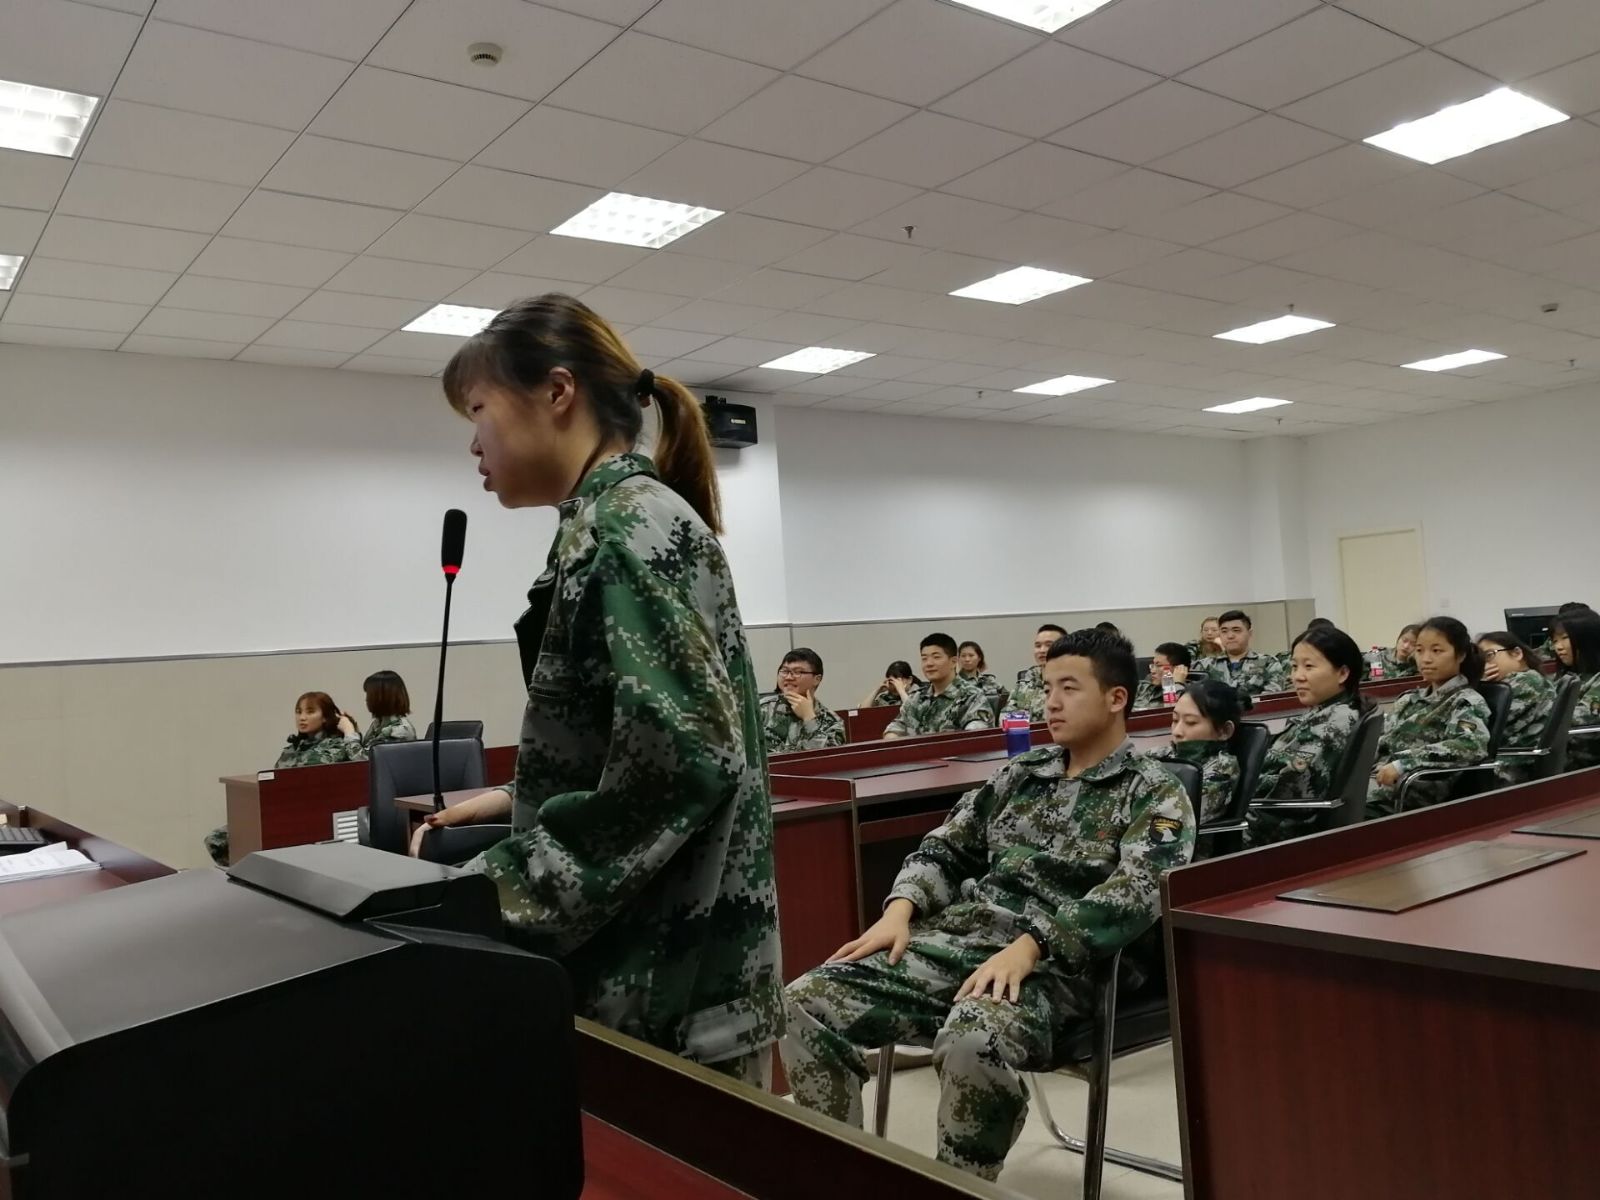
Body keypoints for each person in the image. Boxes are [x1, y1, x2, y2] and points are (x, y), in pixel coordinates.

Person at [408, 293, 781, 1082]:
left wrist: (489, 893)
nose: (473, 443)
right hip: (668, 979)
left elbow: (682, 765)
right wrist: (515, 799)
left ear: (556, 391)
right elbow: (633, 741)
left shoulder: (622, 532)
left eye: (478, 410)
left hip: (662, 993)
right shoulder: (619, 519)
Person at [781, 629, 1193, 1181]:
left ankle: (963, 1186)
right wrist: (900, 908)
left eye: (1069, 688)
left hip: (1057, 968)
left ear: (1116, 697)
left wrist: (1033, 945)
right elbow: (946, 847)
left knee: (972, 1039)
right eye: (1047, 686)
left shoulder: (1153, 791)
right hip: (962, 940)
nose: (1050, 702)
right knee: (802, 1002)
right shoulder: (1023, 773)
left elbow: (1139, 891)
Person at [1245, 625, 1367, 848]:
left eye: (1308, 667)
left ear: (1342, 673)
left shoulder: (1333, 723)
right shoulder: (1326, 711)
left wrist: (1238, 785)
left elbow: (1289, 791)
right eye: (1294, 666)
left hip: (1272, 833)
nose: (1297, 677)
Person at [203, 691, 355, 867]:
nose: (302, 717)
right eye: (298, 712)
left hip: (306, 818)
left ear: (325, 717)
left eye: (310, 711)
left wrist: (349, 730)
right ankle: (244, 873)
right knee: (215, 840)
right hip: (276, 814)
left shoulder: (335, 746)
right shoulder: (292, 749)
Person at [1367, 617, 1491, 817]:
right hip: (1375, 784)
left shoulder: (1465, 700)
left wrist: (1403, 764)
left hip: (1407, 796)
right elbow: (1380, 741)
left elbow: (1470, 745)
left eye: (1436, 651)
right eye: (1419, 650)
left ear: (1460, 655)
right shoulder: (1409, 699)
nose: (1425, 659)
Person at [1149, 680, 1242, 824]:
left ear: (1224, 731)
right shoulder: (1164, 754)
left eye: (1190, 722)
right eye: (1175, 720)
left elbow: (1174, 814)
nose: (1177, 731)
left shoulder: (1221, 770)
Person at [1476, 631, 1553, 783]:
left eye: (1489, 655)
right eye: (1480, 661)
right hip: (1503, 761)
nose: (1485, 665)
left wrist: (1476, 683)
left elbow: (1483, 727)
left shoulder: (1526, 681)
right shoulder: (1509, 683)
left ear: (1517, 653)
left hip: (1512, 768)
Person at [884, 634, 995, 738]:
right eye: (924, 658)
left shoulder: (971, 697)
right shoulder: (917, 698)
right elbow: (895, 728)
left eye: (936, 657)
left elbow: (974, 739)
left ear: (953, 662)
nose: (929, 663)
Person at [761, 648, 845, 753]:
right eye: (784, 671)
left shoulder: (832, 722)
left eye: (798, 672)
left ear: (817, 679)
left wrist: (809, 718)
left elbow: (827, 758)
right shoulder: (760, 710)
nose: (788, 677)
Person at [1194, 610, 1288, 697]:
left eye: (1236, 630)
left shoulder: (1268, 663)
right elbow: (1196, 698)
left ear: (1249, 633)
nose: (1230, 636)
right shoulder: (1204, 666)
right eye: (1224, 631)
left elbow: (1271, 698)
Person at [1550, 607, 1600, 769]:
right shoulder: (1567, 675)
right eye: (1555, 641)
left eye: (1565, 638)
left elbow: (1584, 719)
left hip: (1584, 764)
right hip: (1560, 757)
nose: (1558, 647)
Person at [339, 669, 418, 760]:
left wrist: (349, 732)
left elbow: (364, 760)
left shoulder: (398, 730)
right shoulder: (379, 723)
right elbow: (366, 749)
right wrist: (353, 728)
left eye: (369, 694)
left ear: (380, 697)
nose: (366, 699)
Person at [1009, 624, 1066, 720]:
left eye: (1049, 645)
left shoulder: (1072, 680)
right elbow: (1007, 716)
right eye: (1038, 646)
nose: (1042, 650)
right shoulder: (1025, 682)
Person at [1134, 642, 1191, 710]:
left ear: (1179, 669)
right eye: (1153, 665)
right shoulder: (1143, 688)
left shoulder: (1187, 695)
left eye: (1159, 665)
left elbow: (1169, 713)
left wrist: (1175, 684)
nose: (1152, 671)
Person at [957, 641, 1004, 710]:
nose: (967, 659)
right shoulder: (953, 683)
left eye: (971, 655)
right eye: (963, 656)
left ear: (979, 658)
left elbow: (1007, 700)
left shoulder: (989, 681)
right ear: (958, 658)